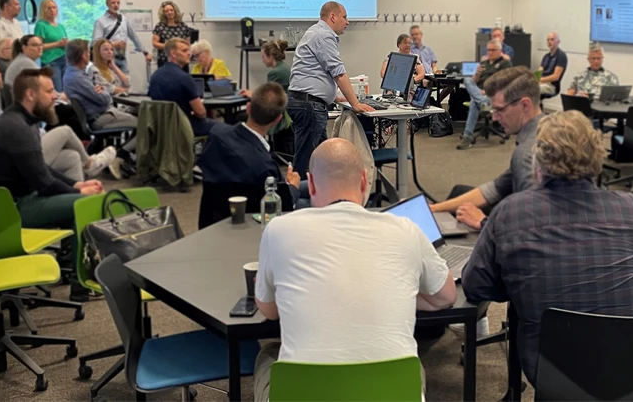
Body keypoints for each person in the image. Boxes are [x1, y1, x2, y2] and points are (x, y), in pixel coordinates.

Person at [462, 110, 633, 400]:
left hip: (558, 375)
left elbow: (476, 286)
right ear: (597, 157)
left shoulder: (510, 214)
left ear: (538, 163)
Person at [253, 138, 456, 402]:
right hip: (393, 394)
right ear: (364, 181)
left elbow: (269, 310)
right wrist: (396, 292)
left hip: (305, 394)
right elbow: (446, 297)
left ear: (310, 184)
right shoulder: (405, 229)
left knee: (267, 354)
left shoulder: (278, 231)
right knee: (415, 366)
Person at [0, 68, 104, 301]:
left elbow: (42, 169)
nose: (55, 96)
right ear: (31, 95)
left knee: (80, 196)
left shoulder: (20, 120)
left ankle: (71, 264)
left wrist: (76, 185)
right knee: (87, 204)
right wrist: (80, 191)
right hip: (11, 210)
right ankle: (81, 284)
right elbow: (43, 183)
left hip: (5, 205)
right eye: (49, 90)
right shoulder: (18, 128)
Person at [0, 56, 115, 181]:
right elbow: (17, 134)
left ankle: (75, 206)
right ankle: (89, 164)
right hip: (10, 165)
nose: (0, 73)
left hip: (10, 159)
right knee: (65, 131)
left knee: (71, 157)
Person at [433, 66, 543, 229]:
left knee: (462, 214)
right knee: (459, 193)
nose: (494, 117)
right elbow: (496, 188)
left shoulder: (527, 154)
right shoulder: (545, 128)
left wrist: (483, 223)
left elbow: (535, 225)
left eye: (499, 109)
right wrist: (433, 209)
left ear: (525, 105)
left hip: (531, 234)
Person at [287, 1, 375, 176]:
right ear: (332, 17)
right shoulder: (323, 35)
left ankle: (318, 196)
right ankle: (296, 198)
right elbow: (338, 73)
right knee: (306, 161)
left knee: (321, 158)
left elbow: (315, 72)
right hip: (309, 106)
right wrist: (355, 103)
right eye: (345, 17)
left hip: (305, 102)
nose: (347, 22)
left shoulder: (315, 32)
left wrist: (334, 96)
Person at [197, 82, 307, 206]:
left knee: (310, 186)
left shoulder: (216, 134)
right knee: (310, 200)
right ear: (277, 120)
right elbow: (281, 203)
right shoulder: (264, 166)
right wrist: (292, 187)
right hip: (254, 215)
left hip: (216, 211)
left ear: (248, 108)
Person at [63, 39, 138, 132]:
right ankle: (124, 147)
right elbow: (105, 100)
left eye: (111, 49)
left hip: (103, 113)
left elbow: (126, 84)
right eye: (88, 52)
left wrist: (103, 89)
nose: (110, 52)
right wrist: (105, 91)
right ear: (83, 55)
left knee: (140, 114)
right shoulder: (80, 77)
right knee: (145, 123)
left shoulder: (74, 74)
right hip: (101, 117)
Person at [149, 38, 216, 137]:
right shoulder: (185, 78)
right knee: (225, 129)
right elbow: (201, 113)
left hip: (161, 127)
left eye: (189, 50)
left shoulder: (155, 76)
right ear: (173, 54)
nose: (189, 53)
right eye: (184, 50)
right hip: (184, 127)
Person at [456, 40, 512, 150]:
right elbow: (475, 82)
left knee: (473, 103)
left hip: (494, 95)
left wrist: (487, 91)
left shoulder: (505, 63)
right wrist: (477, 74)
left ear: (500, 51)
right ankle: (482, 102)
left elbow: (506, 83)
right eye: (488, 50)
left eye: (493, 50)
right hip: (480, 93)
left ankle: (467, 136)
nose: (490, 52)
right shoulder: (484, 63)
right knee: (467, 80)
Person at [91, 0, 150, 74]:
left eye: (118, 3)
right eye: (113, 3)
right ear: (107, 4)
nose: (116, 5)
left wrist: (145, 52)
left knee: (126, 83)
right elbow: (95, 43)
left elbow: (134, 36)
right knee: (111, 84)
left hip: (122, 58)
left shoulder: (124, 19)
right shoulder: (100, 22)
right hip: (107, 60)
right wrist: (114, 45)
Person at [34, 0, 69, 92]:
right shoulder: (41, 25)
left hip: (64, 59)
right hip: (51, 61)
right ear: (44, 10)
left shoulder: (60, 26)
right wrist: (57, 44)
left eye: (54, 8)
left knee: (66, 90)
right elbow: (38, 46)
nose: (52, 10)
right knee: (57, 90)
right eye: (49, 8)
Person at [151, 0, 197, 68]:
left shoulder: (183, 26)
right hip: (165, 60)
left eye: (171, 10)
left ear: (175, 11)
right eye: (167, 11)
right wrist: (171, 47)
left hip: (181, 61)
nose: (169, 12)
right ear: (163, 13)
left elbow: (188, 43)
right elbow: (155, 43)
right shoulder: (159, 26)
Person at [538, 32, 568, 96]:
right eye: (548, 40)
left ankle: (536, 105)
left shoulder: (561, 55)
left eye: (552, 39)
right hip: (542, 82)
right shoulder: (546, 56)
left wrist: (540, 80)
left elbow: (556, 77)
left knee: (532, 90)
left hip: (552, 86)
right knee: (524, 87)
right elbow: (539, 72)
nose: (549, 42)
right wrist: (534, 79)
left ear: (558, 42)